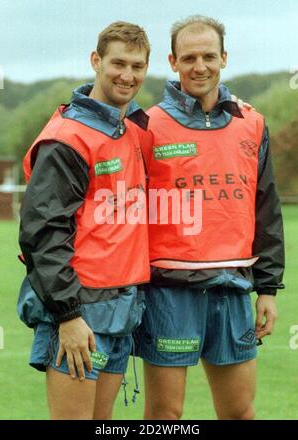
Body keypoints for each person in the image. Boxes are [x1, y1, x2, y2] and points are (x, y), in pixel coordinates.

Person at [135, 15, 285, 420]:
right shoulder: (147, 126)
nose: (199, 66)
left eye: (208, 56)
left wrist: (268, 288)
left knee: (239, 413)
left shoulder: (251, 123)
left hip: (233, 289)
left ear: (224, 58)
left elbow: (266, 209)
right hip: (169, 292)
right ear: (172, 62)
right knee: (165, 417)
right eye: (189, 58)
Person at [17, 21, 151, 420]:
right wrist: (68, 316)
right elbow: (42, 233)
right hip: (79, 308)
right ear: (95, 61)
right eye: (118, 63)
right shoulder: (68, 136)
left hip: (122, 304)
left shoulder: (129, 129)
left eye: (137, 66)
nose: (128, 75)